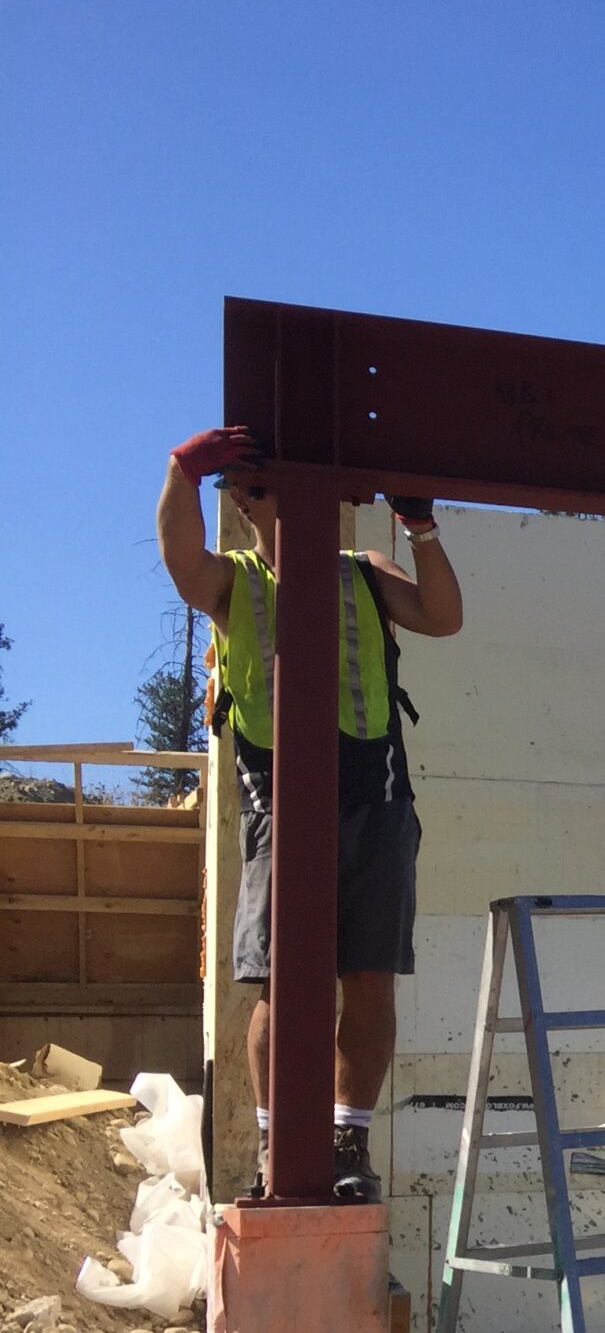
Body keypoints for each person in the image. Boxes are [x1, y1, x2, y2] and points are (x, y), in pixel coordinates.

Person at [156, 426, 464, 1203]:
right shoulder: (238, 581)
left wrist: (422, 529)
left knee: (368, 978)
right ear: (244, 500)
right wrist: (180, 474)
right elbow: (181, 562)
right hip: (280, 803)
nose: (280, 500)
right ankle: (275, 1143)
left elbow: (442, 615)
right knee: (279, 987)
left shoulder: (364, 572)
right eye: (259, 487)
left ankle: (347, 1139)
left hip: (375, 796)